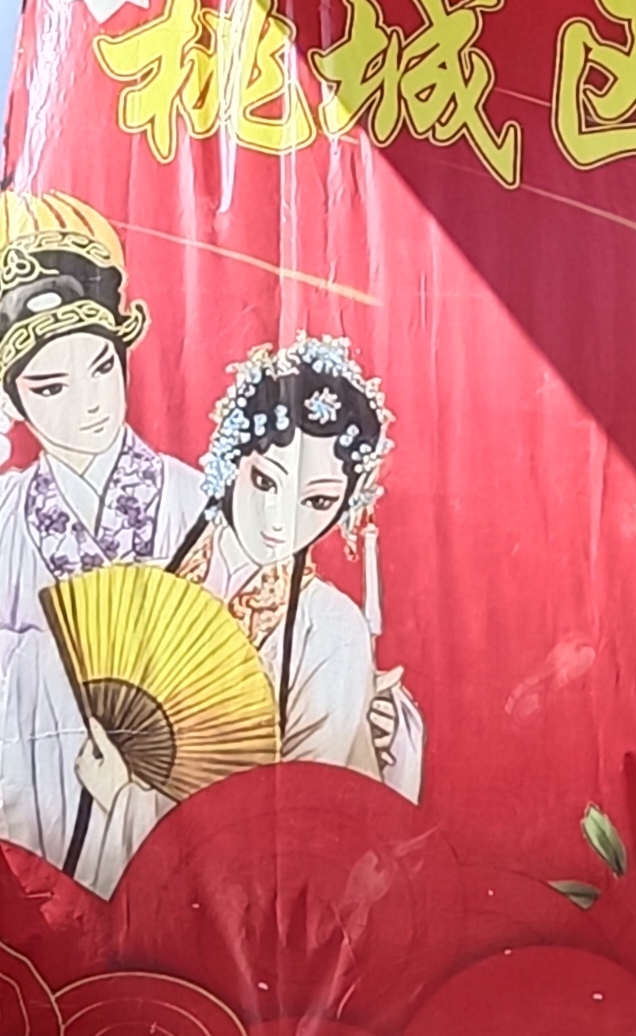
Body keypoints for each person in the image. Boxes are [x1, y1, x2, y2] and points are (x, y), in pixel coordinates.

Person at [69, 333, 423, 896]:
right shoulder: (148, 578)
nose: (280, 521)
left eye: (317, 501)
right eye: (265, 481)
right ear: (233, 461)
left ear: (345, 507)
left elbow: (297, 823)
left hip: (243, 896)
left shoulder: (331, 629)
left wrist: (127, 799)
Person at [0, 191, 204, 888]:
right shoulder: (6, 517)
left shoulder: (196, 503)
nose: (89, 403)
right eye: (50, 387)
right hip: (36, 824)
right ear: (12, 400)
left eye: (101, 367)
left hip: (175, 826)